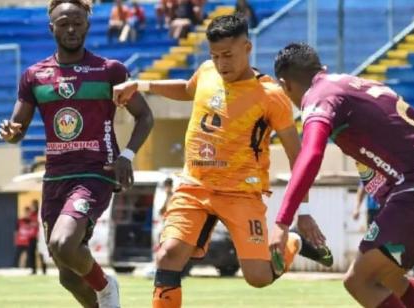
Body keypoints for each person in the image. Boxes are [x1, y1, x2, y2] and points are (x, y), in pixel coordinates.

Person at [112, 15, 333, 308]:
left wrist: (302, 212)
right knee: (168, 256)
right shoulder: (206, 71)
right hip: (194, 186)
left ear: (247, 47)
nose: (221, 63)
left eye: (227, 55)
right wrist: (141, 84)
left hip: (241, 193)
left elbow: (298, 156)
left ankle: (294, 243)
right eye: (214, 56)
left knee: (258, 277)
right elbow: (188, 89)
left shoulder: (271, 95)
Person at [270, 43, 414, 308]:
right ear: (322, 69)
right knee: (388, 277)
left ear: (285, 86)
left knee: (358, 281)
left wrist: (282, 222)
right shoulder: (353, 84)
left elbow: (312, 153)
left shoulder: (319, 98)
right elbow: (405, 147)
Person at [0, 0, 154, 307]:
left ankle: (107, 287)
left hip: (97, 171)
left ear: (87, 25)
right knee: (67, 275)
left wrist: (127, 156)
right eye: (64, 23)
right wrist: (11, 132)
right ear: (51, 27)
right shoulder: (34, 75)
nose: (71, 29)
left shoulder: (109, 71)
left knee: (64, 243)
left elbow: (145, 116)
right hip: (56, 176)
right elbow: (17, 128)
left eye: (77, 23)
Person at [27, 200, 47, 275]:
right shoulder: (31, 215)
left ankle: (44, 270)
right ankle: (33, 270)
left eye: (32, 205)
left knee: (41, 253)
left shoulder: (40, 214)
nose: (31, 207)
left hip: (39, 236)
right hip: (31, 236)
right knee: (31, 253)